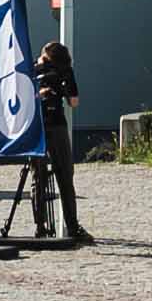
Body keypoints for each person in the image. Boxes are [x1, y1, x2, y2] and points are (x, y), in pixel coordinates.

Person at [28, 41, 90, 246]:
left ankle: (40, 226)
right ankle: (72, 226)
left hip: (36, 127)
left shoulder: (30, 70)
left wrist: (40, 93)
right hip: (56, 126)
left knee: (38, 177)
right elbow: (74, 102)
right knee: (65, 176)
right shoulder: (65, 72)